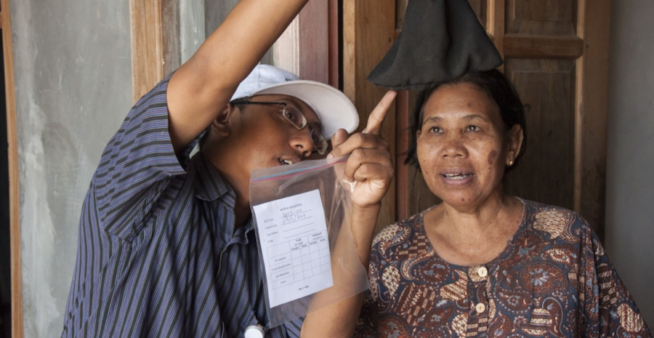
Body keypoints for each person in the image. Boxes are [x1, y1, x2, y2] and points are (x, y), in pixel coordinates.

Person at [60, 0, 395, 336]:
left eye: (316, 137)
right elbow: (208, 78)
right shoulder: (140, 188)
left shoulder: (283, 235)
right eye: (289, 115)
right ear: (222, 115)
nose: (307, 144)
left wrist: (361, 207)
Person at [352, 69, 652, 337]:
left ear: (512, 143)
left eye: (472, 128)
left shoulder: (568, 237)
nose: (452, 149)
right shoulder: (391, 251)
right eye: (435, 129)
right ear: (419, 144)